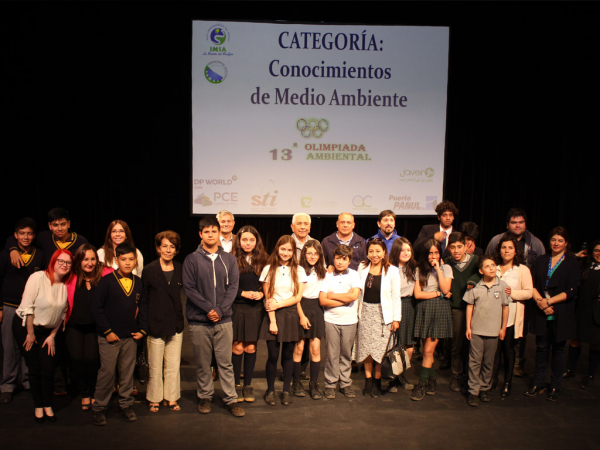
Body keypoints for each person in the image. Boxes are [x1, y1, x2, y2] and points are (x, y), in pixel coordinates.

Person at [183, 217, 243, 417]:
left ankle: (230, 399)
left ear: (219, 234)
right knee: (203, 363)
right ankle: (205, 397)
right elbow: (189, 288)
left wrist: (220, 310)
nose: (211, 235)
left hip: (224, 320)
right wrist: (209, 308)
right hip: (199, 321)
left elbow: (233, 287)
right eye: (206, 232)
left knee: (225, 362)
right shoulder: (192, 259)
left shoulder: (229, 259)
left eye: (214, 232)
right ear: (200, 235)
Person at [12, 249, 73, 423]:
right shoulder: (37, 277)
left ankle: (47, 404)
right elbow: (28, 307)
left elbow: (62, 315)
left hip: (48, 332)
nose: (64, 265)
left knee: (47, 368)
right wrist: (30, 333)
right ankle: (38, 405)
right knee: (35, 367)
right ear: (53, 261)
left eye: (68, 263)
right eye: (60, 261)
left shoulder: (65, 285)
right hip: (25, 326)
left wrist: (53, 335)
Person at [92, 242, 148, 425]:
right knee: (107, 372)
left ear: (135, 261)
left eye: (131, 259)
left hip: (130, 337)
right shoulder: (107, 281)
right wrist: (107, 331)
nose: (127, 263)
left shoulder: (138, 283)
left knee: (127, 373)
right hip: (110, 337)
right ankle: (100, 407)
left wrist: (142, 330)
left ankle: (126, 404)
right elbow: (97, 308)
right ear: (116, 260)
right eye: (123, 259)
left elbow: (143, 308)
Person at [485, 208, 545, 378]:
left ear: (525, 224)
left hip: (525, 292)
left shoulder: (536, 243)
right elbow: (487, 262)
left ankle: (517, 363)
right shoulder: (497, 240)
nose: (517, 225)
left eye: (521, 222)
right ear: (507, 224)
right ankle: (493, 373)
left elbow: (540, 270)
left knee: (519, 334)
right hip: (495, 303)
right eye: (513, 222)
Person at [524, 227, 580, 401]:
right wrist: (541, 302)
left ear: (566, 243)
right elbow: (531, 284)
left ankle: (555, 385)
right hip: (541, 309)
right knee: (541, 349)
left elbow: (572, 290)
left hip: (561, 310)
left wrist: (550, 302)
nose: (556, 243)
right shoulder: (542, 260)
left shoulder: (572, 262)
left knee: (558, 350)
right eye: (554, 240)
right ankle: (538, 382)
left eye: (560, 240)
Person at [0, 218, 44, 404]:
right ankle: (7, 386)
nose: (26, 237)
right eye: (22, 233)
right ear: (15, 235)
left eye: (30, 233)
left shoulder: (40, 255)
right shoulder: (5, 254)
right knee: (9, 348)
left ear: (34, 236)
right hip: (10, 306)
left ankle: (27, 381)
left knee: (29, 345)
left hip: (31, 309)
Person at [65, 244, 113, 411]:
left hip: (95, 326)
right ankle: (84, 392)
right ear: (79, 261)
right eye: (85, 259)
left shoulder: (104, 275)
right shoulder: (70, 277)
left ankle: (93, 391)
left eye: (93, 259)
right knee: (77, 359)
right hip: (74, 326)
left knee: (93, 360)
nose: (90, 263)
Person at [259, 235, 306, 406]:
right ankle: (270, 390)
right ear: (277, 249)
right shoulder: (268, 269)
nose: (285, 253)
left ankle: (286, 390)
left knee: (288, 355)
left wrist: (279, 305)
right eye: (283, 249)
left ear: (294, 252)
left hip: (291, 315)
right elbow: (268, 297)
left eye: (289, 250)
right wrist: (272, 320)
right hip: (273, 315)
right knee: (272, 355)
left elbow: (297, 297)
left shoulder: (299, 270)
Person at [143, 231, 184, 412]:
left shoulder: (181, 268)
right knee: (155, 365)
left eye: (172, 247)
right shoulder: (149, 270)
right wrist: (144, 325)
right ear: (158, 248)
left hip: (175, 323)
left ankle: (171, 397)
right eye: (165, 246)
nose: (168, 250)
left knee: (173, 365)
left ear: (176, 250)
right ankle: (154, 398)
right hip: (155, 323)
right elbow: (143, 300)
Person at [356, 239, 401, 398]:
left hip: (384, 315)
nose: (374, 255)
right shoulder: (362, 267)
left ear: (384, 253)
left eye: (377, 251)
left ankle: (377, 382)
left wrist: (396, 319)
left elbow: (396, 296)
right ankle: (368, 382)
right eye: (371, 251)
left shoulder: (393, 270)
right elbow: (358, 293)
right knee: (366, 350)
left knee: (380, 352)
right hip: (366, 313)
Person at [463, 256, 510, 407]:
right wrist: (468, 327)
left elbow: (505, 307)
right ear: (480, 270)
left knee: (489, 362)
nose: (491, 268)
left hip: (493, 331)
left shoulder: (502, 286)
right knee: (475, 361)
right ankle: (473, 391)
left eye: (493, 265)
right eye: (487, 266)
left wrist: (503, 328)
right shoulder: (475, 287)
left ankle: (484, 388)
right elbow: (469, 306)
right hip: (477, 330)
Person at [411, 239, 453, 401]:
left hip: (439, 310)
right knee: (425, 349)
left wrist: (439, 270)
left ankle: (421, 385)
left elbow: (446, 289)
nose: (433, 256)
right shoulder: (419, 270)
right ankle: (432, 380)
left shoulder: (446, 268)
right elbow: (418, 294)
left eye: (436, 252)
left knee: (428, 351)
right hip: (423, 309)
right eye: (430, 253)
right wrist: (437, 294)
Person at [491, 234, 533, 397]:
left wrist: (512, 293)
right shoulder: (493, 266)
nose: (506, 250)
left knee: (508, 349)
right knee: (494, 350)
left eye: (510, 247)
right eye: (503, 247)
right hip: (493, 315)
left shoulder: (522, 270)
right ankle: (492, 380)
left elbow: (529, 292)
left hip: (512, 316)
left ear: (516, 251)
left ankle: (507, 382)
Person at [319, 244, 362, 399]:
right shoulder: (327, 275)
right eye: (338, 258)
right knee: (332, 354)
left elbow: (353, 296)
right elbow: (323, 300)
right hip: (331, 319)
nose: (340, 262)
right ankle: (330, 384)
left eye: (344, 259)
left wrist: (332, 296)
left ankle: (345, 383)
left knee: (346, 354)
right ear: (334, 258)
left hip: (350, 320)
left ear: (349, 260)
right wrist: (343, 299)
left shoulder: (355, 275)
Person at [231, 226, 267, 403]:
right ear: (238, 241)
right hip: (237, 307)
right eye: (244, 240)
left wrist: (262, 293)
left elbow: (268, 282)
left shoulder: (264, 259)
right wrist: (242, 293)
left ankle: (248, 385)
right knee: (237, 347)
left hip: (255, 309)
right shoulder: (230, 260)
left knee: (251, 347)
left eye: (251, 240)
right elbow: (226, 286)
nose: (248, 243)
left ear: (256, 241)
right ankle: (236, 385)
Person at [443, 232, 480, 393]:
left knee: (474, 345)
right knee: (457, 343)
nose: (456, 251)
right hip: (456, 309)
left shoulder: (476, 261)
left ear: (466, 247)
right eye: (453, 247)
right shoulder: (446, 263)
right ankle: (457, 375)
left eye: (459, 247)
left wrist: (473, 281)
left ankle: (471, 377)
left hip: (476, 308)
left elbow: (482, 272)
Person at [292, 240, 327, 399]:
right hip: (302, 308)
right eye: (309, 253)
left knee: (315, 349)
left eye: (315, 253)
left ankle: (314, 384)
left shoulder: (324, 271)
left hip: (317, 310)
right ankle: (296, 381)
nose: (312, 256)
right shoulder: (298, 270)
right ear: (304, 254)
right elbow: (296, 297)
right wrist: (301, 316)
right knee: (299, 348)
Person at [564, 240, 600, 388]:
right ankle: (570, 369)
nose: (599, 254)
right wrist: (578, 257)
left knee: (595, 343)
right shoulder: (584, 265)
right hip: (581, 308)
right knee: (574, 339)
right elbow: (569, 272)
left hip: (597, 310)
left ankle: (590, 374)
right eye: (597, 250)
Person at [6, 208, 88, 269]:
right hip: (49, 283)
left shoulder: (80, 241)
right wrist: (13, 250)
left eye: (63, 224)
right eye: (55, 225)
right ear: (50, 226)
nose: (59, 228)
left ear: (68, 224)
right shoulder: (44, 237)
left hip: (72, 284)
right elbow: (16, 238)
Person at [388, 237, 418, 392]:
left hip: (409, 305)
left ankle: (402, 376)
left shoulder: (415, 268)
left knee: (408, 345)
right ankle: (393, 378)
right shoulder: (389, 268)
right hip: (393, 305)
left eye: (409, 250)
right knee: (393, 343)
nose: (406, 253)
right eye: (403, 250)